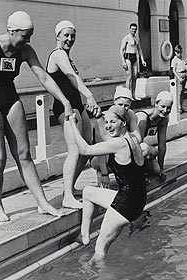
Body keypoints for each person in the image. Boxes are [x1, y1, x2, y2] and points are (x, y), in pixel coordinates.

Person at [0, 11, 74, 222]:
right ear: (11, 31)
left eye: (30, 36)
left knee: (24, 154)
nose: (27, 40)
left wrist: (65, 101)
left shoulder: (25, 50)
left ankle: (43, 203)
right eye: (24, 35)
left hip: (9, 99)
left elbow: (43, 76)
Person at [69, 105, 146, 261]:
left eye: (113, 122)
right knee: (88, 192)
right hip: (137, 199)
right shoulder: (133, 138)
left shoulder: (119, 144)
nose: (109, 126)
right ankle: (84, 235)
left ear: (123, 122)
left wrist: (72, 124)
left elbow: (85, 150)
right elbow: (106, 137)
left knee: (100, 250)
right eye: (106, 122)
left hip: (126, 204)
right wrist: (98, 118)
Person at [46, 20, 100, 209]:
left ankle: (69, 188)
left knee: (86, 149)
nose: (70, 39)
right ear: (58, 36)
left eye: (72, 36)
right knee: (75, 150)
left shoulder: (67, 56)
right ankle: (67, 196)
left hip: (77, 106)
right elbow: (70, 76)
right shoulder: (58, 54)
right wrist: (90, 96)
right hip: (66, 107)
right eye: (66, 35)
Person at [91, 86, 141, 188]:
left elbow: (138, 138)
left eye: (126, 105)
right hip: (102, 157)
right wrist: (105, 174)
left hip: (120, 155)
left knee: (144, 149)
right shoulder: (103, 118)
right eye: (120, 104)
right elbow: (100, 151)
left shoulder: (130, 114)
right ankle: (101, 174)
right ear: (114, 102)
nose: (123, 108)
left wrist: (122, 142)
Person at [135, 91, 173, 181]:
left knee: (156, 170)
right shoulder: (143, 117)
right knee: (152, 151)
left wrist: (162, 168)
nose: (165, 111)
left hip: (140, 148)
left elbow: (162, 145)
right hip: (130, 148)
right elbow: (137, 145)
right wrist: (140, 176)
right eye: (163, 106)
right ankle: (136, 173)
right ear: (156, 104)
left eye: (169, 108)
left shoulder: (163, 119)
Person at [120, 23, 146, 100]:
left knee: (135, 76)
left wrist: (142, 60)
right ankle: (128, 95)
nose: (133, 31)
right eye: (132, 29)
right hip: (128, 57)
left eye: (135, 29)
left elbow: (139, 50)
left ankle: (133, 94)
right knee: (129, 77)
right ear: (130, 29)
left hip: (134, 57)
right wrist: (123, 61)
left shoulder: (136, 39)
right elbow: (121, 50)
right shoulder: (126, 38)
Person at [171, 45, 187, 114]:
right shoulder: (174, 60)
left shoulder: (182, 59)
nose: (179, 54)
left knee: (182, 92)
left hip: (184, 75)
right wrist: (178, 77)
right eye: (178, 52)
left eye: (180, 52)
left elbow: (184, 66)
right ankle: (178, 107)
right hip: (179, 75)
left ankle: (181, 105)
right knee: (179, 92)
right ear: (175, 52)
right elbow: (174, 70)